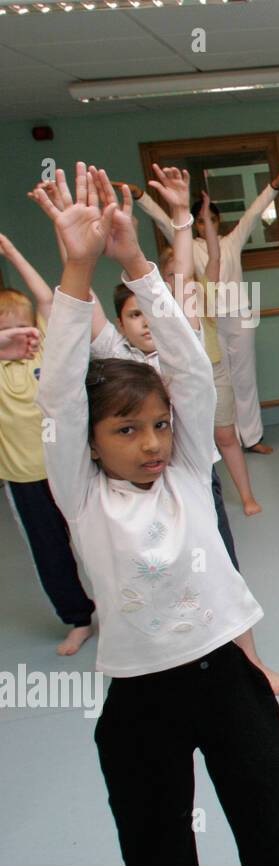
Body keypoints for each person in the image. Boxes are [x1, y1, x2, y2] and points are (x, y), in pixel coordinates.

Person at [34, 163, 279, 865]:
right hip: (140, 698)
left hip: (227, 678)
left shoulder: (188, 469)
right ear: (91, 444)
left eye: (160, 425)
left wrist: (135, 261)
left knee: (276, 838)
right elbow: (62, 395)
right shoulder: (82, 493)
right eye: (126, 432)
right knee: (157, 852)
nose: (153, 443)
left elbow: (190, 367)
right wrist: (77, 270)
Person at [134, 161, 279, 455]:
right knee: (219, 381)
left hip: (240, 314)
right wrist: (140, 197)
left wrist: (276, 184)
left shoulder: (232, 240)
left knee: (245, 379)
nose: (203, 223)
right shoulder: (186, 244)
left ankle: (252, 436)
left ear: (218, 220)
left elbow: (256, 211)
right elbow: (160, 217)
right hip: (207, 321)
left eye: (209, 218)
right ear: (193, 224)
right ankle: (228, 437)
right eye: (198, 220)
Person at [0, 251, 97, 656]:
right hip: (24, 480)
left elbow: (46, 299)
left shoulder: (46, 351)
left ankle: (123, 606)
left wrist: (10, 252)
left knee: (96, 541)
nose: (18, 338)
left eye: (22, 328)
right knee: (50, 553)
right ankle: (78, 618)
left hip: (69, 469)